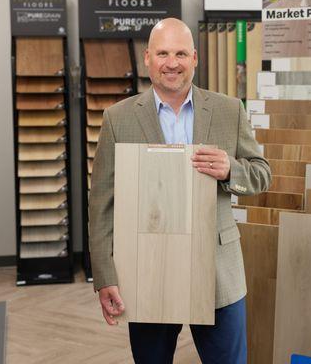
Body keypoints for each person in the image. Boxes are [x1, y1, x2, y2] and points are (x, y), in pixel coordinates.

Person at [88, 18, 271, 363]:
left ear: (195, 58)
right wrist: (105, 276)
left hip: (218, 272)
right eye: (163, 54)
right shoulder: (118, 118)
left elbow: (262, 175)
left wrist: (231, 169)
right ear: (147, 58)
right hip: (147, 272)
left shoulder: (229, 110)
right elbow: (101, 205)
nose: (172, 63)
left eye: (181, 54)